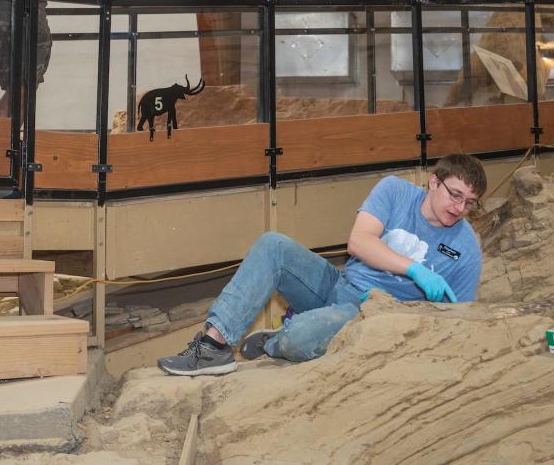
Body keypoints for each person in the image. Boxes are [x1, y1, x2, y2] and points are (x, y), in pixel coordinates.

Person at [158, 153, 487, 376]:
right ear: (433, 181)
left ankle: (281, 339)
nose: (458, 208)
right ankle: (213, 347)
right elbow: (358, 242)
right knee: (273, 244)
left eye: (469, 203)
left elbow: (460, 316)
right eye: (454, 194)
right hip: (339, 285)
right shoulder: (395, 191)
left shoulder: (466, 248)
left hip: (369, 315)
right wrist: (414, 269)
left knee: (298, 338)